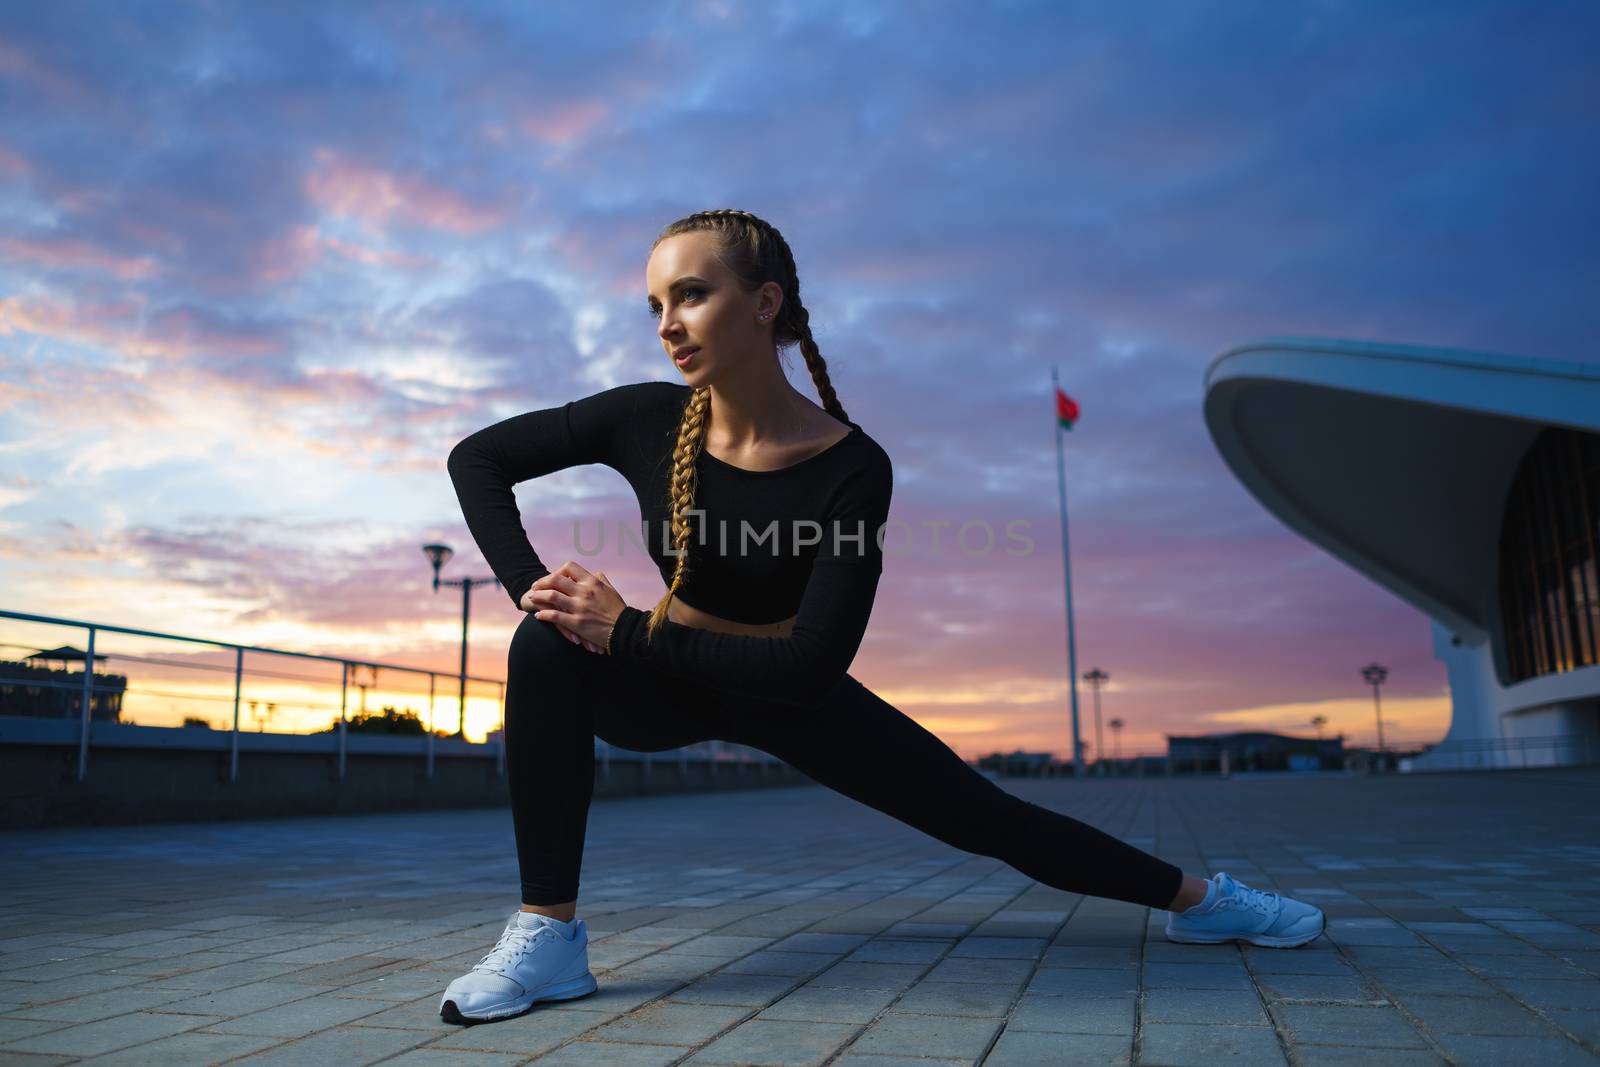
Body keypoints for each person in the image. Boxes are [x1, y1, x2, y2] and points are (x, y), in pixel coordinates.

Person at [438, 209, 1324, 1025]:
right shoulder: (644, 417)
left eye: (693, 294)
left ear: (764, 303)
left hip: (784, 691)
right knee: (541, 645)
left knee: (990, 819)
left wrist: (625, 629)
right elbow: (478, 459)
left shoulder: (852, 468)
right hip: (665, 685)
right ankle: (549, 935)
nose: (667, 322)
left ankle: (1205, 902)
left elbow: (810, 666)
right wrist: (535, 590)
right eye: (655, 304)